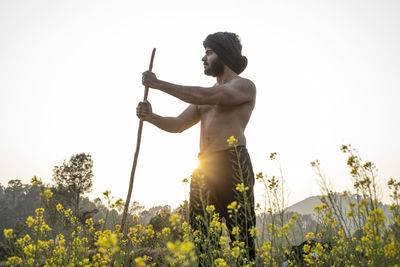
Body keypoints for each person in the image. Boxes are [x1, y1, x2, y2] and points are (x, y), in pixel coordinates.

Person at [137, 32, 257, 263]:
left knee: (242, 237)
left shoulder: (243, 86)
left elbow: (209, 95)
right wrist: (151, 117)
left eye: (209, 52)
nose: (204, 58)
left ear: (224, 55)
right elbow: (179, 124)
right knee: (202, 239)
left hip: (234, 164)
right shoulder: (205, 97)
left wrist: (158, 84)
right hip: (204, 168)